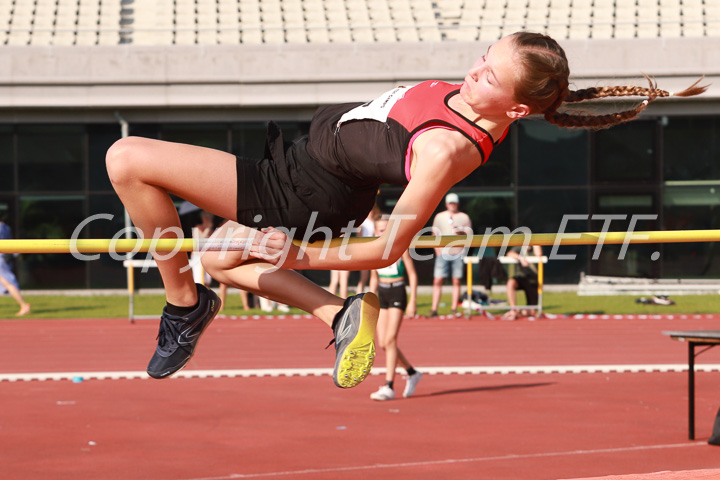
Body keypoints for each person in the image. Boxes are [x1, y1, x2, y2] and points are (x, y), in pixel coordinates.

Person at [105, 31, 706, 389]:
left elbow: (390, 246)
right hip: (291, 166)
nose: (474, 71)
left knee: (127, 158)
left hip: (304, 194)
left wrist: (301, 252)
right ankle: (336, 316)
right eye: (483, 58)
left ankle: (186, 306)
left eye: (489, 73)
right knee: (221, 255)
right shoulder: (475, 100)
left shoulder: (446, 149)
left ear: (515, 110)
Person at [368, 216, 422, 401]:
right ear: (375, 232)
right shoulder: (373, 250)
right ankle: (412, 372)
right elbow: (373, 278)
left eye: (385, 229)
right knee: (383, 343)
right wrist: (369, 299)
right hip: (382, 293)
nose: (382, 233)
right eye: (380, 230)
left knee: (390, 339)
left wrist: (413, 300)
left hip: (398, 291)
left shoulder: (400, 247)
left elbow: (413, 275)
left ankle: (389, 386)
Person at [428, 192, 472, 318]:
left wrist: (460, 234)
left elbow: (470, 237)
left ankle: (454, 308)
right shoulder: (439, 216)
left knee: (456, 280)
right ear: (447, 204)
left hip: (458, 253)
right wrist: (438, 251)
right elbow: (434, 234)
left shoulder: (464, 217)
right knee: (437, 280)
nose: (452, 205)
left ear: (457, 203)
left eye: (454, 202)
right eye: (450, 203)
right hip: (442, 253)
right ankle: (434, 308)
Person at [502, 245, 543, 320]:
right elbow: (509, 253)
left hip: (533, 280)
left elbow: (539, 255)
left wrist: (534, 244)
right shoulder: (519, 247)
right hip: (521, 278)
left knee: (531, 312)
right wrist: (521, 258)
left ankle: (518, 311)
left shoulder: (535, 247)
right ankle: (513, 309)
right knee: (510, 282)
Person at [0, 218, 30, 316]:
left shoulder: (3, 228)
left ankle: (24, 305)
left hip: (1, 257)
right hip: (4, 256)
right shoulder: (6, 227)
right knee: (6, 282)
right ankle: (23, 305)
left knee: (7, 283)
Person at [190, 210, 215, 286]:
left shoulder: (212, 231)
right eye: (206, 216)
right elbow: (199, 242)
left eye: (209, 216)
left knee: (207, 280)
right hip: (198, 257)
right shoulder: (197, 228)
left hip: (208, 256)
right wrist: (207, 229)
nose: (207, 218)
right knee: (199, 280)